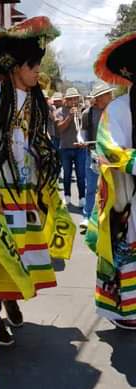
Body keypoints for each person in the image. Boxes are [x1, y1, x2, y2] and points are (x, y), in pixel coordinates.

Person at [0, 17, 75, 346]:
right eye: (33, 66)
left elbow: (36, 143)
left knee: (20, 252)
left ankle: (9, 298)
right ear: (16, 69)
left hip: (26, 195)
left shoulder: (35, 102)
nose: (37, 72)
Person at [86, 31, 136, 330]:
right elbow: (110, 150)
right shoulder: (117, 109)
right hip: (125, 195)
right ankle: (124, 311)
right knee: (126, 249)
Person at [79, 82, 113, 230]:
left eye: (109, 94)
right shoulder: (88, 113)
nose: (111, 96)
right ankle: (87, 217)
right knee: (91, 187)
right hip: (92, 154)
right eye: (96, 97)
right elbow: (82, 132)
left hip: (111, 156)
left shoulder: (115, 111)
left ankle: (108, 218)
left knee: (111, 188)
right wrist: (81, 141)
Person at [56, 87, 86, 207]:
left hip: (80, 149)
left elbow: (85, 129)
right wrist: (69, 116)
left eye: (75, 98)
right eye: (70, 99)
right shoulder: (59, 112)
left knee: (80, 175)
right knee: (67, 174)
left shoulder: (83, 111)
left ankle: (82, 198)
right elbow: (60, 129)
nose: (73, 101)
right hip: (65, 148)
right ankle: (67, 196)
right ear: (66, 100)